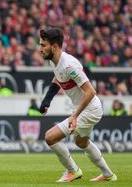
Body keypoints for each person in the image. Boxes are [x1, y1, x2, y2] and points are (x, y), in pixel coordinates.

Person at [38, 27, 116, 182]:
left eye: (43, 45)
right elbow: (57, 78)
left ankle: (73, 171)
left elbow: (90, 91)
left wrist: (74, 116)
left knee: (50, 137)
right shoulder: (54, 61)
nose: (40, 49)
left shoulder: (69, 65)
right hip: (85, 109)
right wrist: (47, 99)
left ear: (54, 46)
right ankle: (108, 174)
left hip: (90, 109)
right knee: (82, 142)